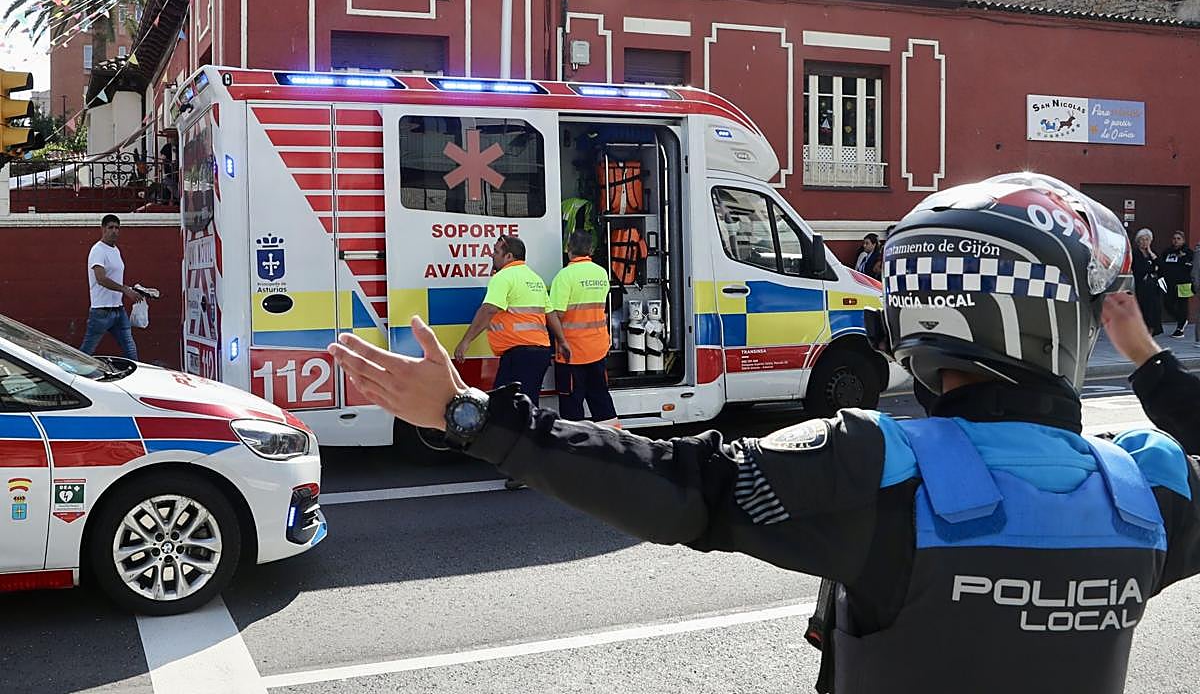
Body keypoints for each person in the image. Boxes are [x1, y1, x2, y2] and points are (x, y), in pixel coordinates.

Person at [331, 173, 1200, 694]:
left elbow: (679, 485)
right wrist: (1152, 363)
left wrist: (471, 416)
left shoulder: (880, 465)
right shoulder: (1148, 491)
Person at [452, 234, 569, 406]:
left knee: (505, 406)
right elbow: (550, 313)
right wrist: (562, 341)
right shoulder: (534, 278)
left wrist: (465, 341)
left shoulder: (503, 277)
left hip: (520, 354)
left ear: (508, 256)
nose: (492, 255)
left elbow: (488, 310)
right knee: (525, 406)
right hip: (539, 353)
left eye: (496, 251)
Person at [550, 231, 618, 423]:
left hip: (572, 352)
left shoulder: (564, 276)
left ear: (568, 249)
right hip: (597, 349)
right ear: (591, 250)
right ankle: (613, 437)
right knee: (601, 400)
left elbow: (556, 315)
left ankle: (576, 441)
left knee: (572, 406)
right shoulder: (601, 273)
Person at [81, 214, 145, 360]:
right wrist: (125, 289)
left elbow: (115, 277)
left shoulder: (116, 250)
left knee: (130, 349)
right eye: (111, 227)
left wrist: (132, 289)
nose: (114, 231)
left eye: (117, 228)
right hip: (101, 311)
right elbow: (101, 279)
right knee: (87, 351)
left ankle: (136, 374)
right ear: (103, 229)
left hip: (118, 308)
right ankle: (70, 373)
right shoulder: (98, 250)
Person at [1159, 230, 1193, 339]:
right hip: (1169, 283)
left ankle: (1180, 329)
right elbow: (1162, 265)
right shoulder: (1167, 252)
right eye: (1174, 238)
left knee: (1182, 305)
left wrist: (1183, 258)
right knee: (1168, 304)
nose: (1176, 241)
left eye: (1179, 239)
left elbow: (1190, 267)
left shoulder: (1188, 252)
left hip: (1183, 284)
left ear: (1183, 240)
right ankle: (1182, 320)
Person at [1132, 227, 1164, 336]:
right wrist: (1152, 268)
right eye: (1142, 239)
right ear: (1138, 241)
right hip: (1141, 286)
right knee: (1144, 309)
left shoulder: (1152, 253)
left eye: (1147, 239)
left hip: (1153, 286)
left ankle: (1152, 330)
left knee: (1155, 308)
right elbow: (1140, 269)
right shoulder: (1135, 253)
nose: (1144, 242)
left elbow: (1161, 266)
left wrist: (1151, 253)